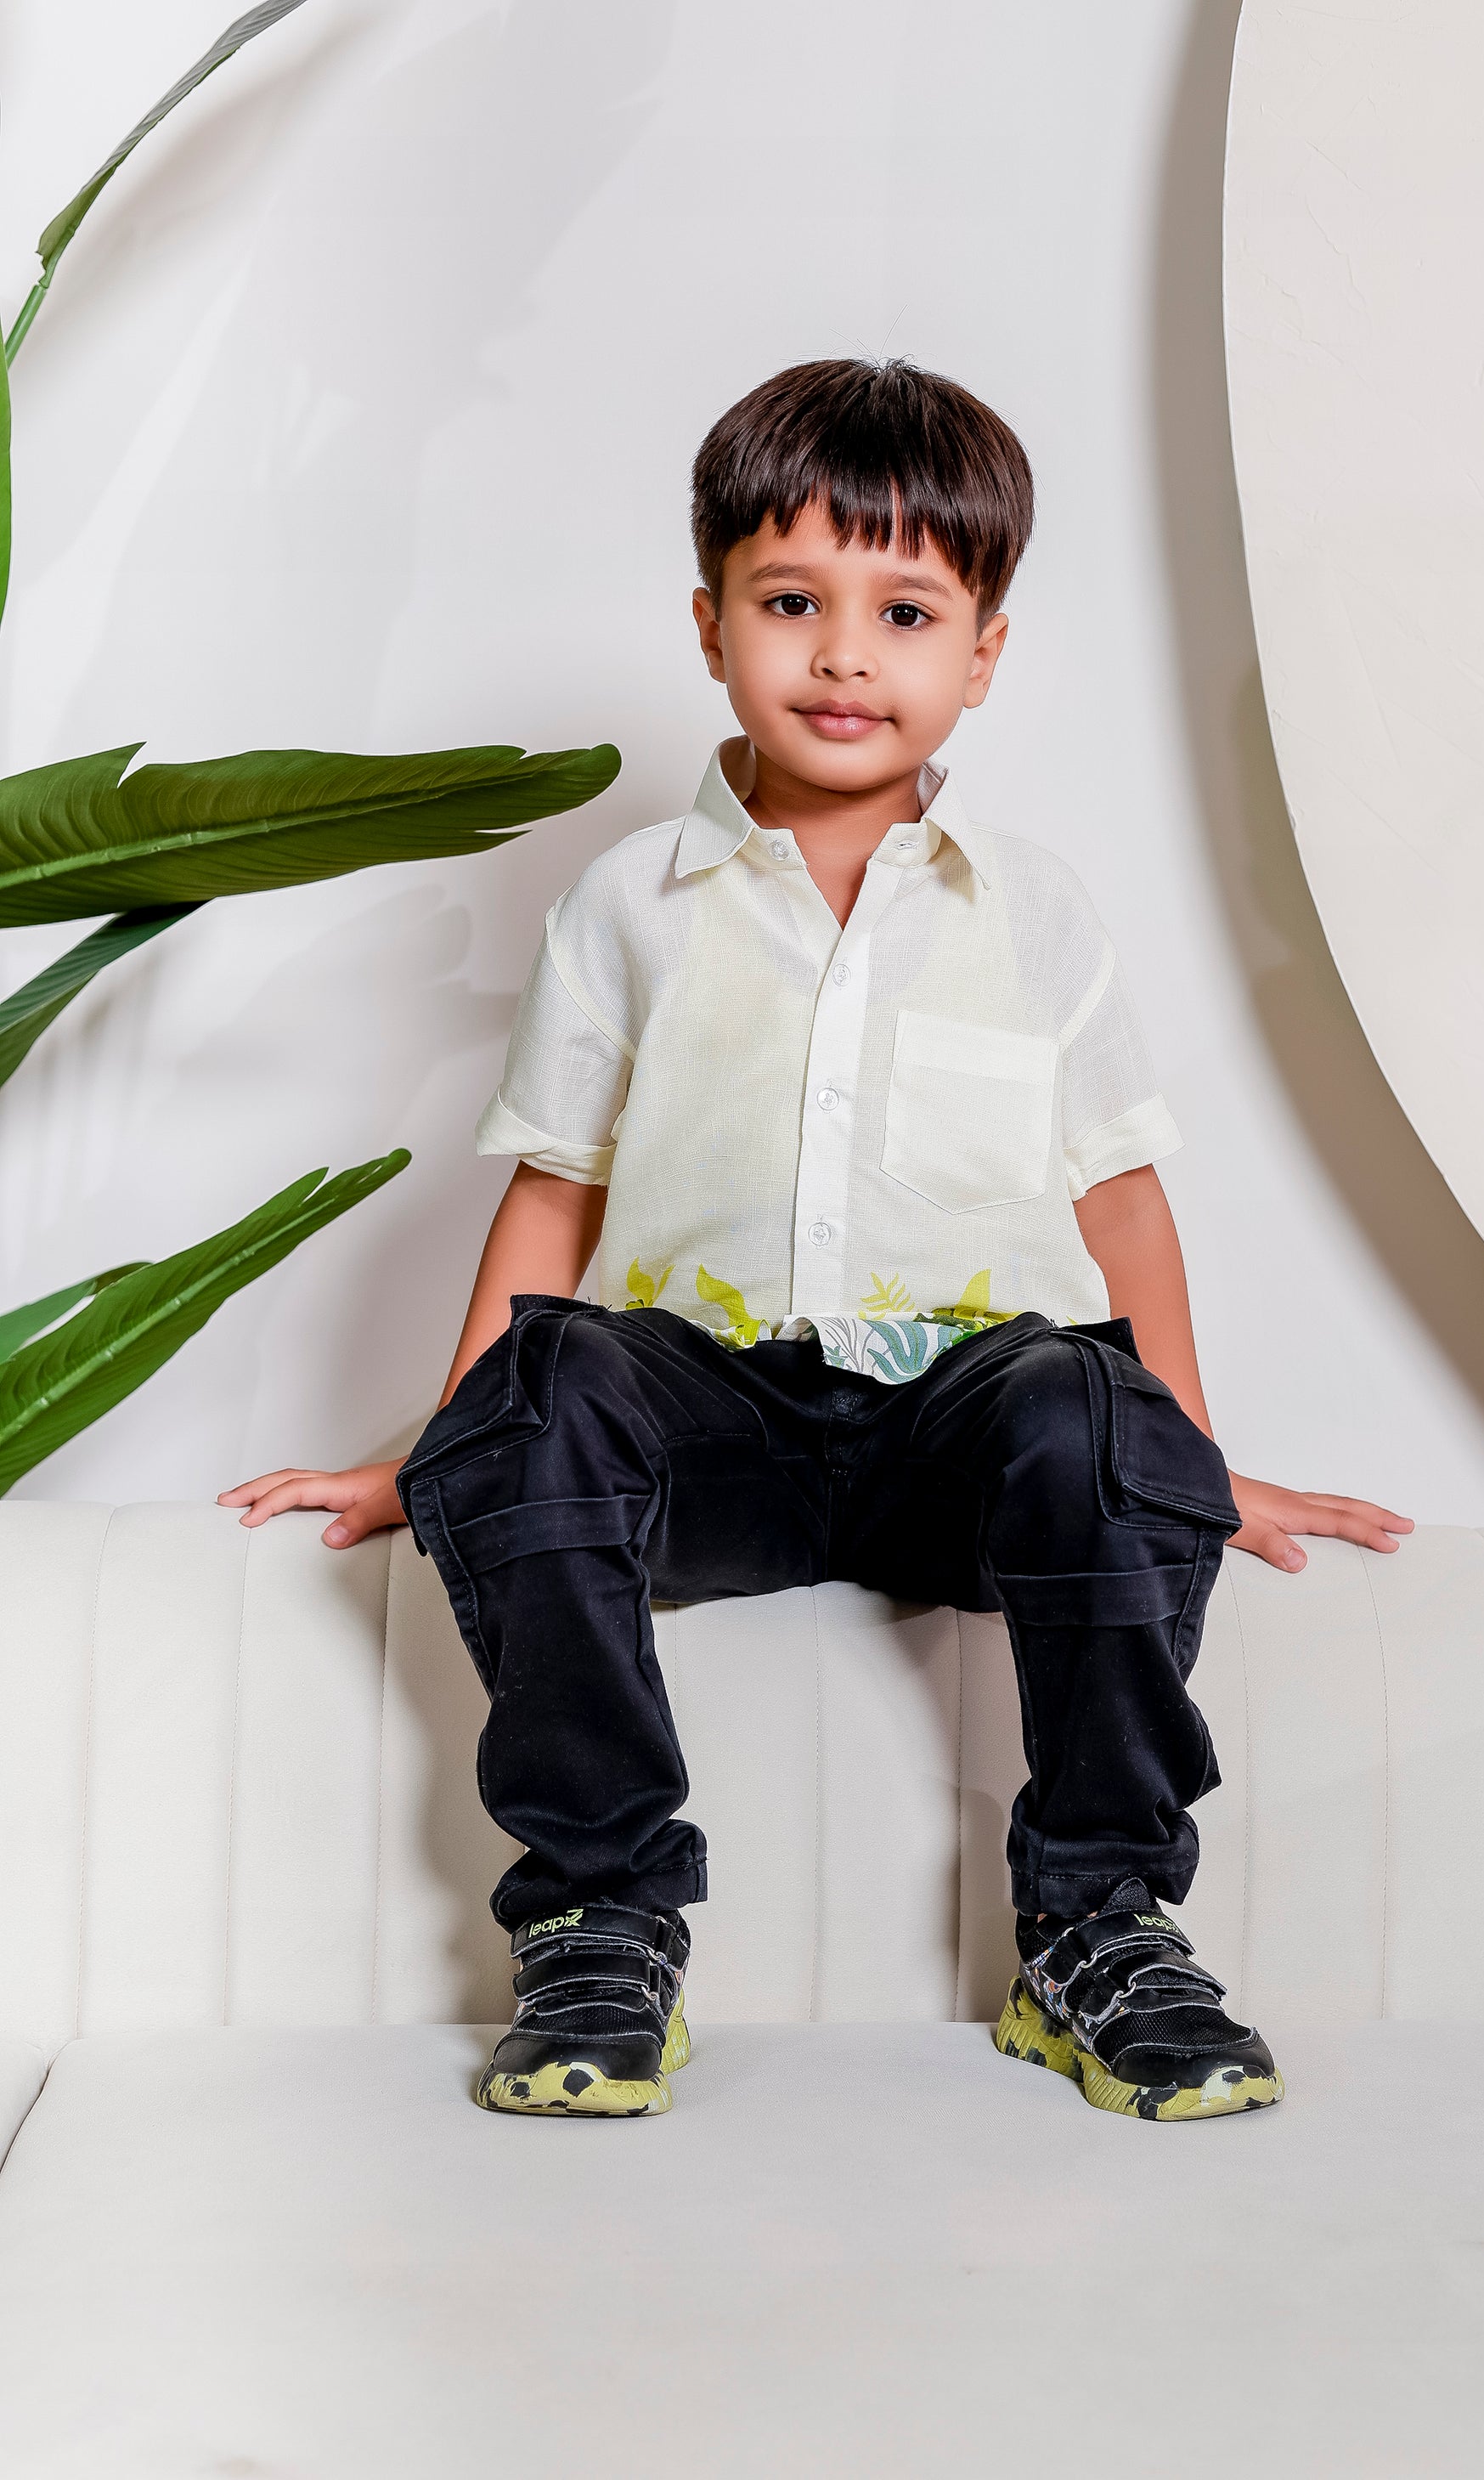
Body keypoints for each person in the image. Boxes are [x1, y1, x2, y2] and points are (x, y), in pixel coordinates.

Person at [222, 359, 1411, 2125]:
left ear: (981, 654)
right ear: (711, 624)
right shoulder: (626, 907)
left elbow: (1117, 1200)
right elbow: (553, 1194)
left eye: (904, 613)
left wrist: (1184, 1459)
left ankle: (1099, 1925)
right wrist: (447, 1443)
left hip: (963, 1445)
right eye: (793, 603)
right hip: (715, 1433)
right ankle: (601, 1917)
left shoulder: (1037, 914)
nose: (845, 657)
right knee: (551, 1379)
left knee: (1085, 1393)